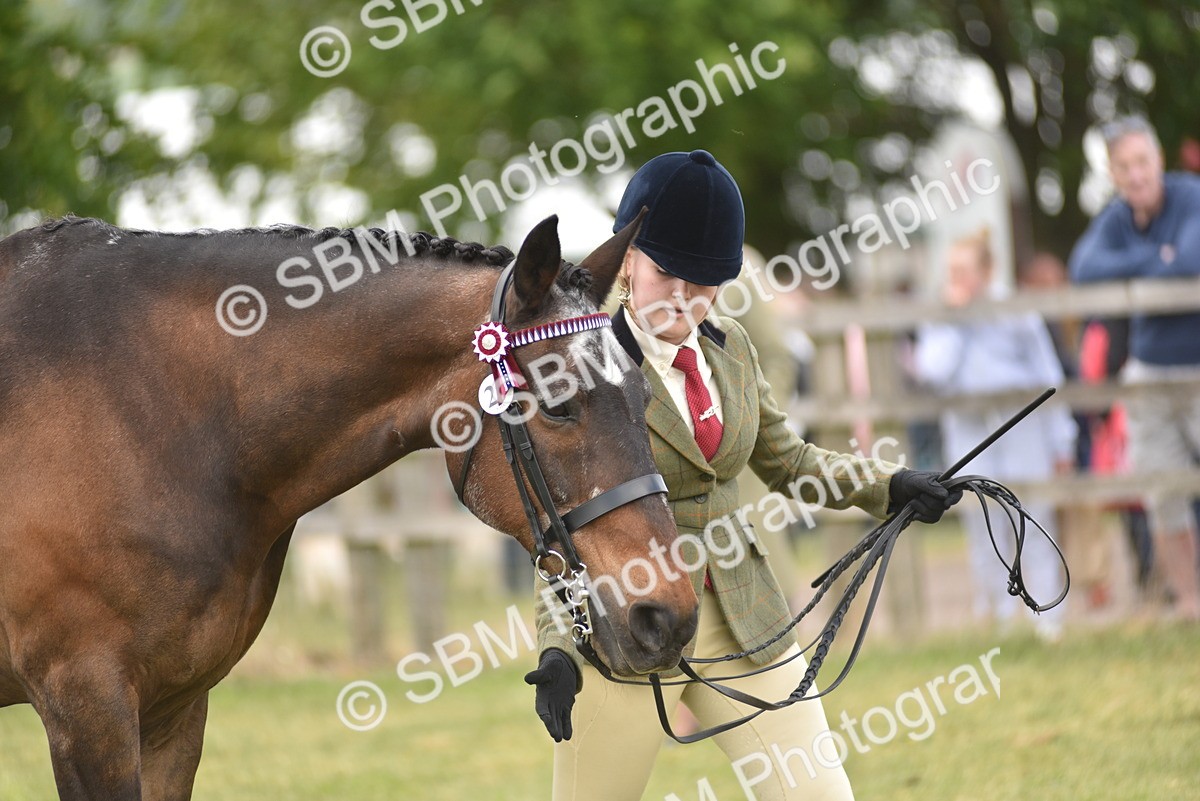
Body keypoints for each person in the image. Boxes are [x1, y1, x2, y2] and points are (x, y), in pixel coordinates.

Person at [524, 150, 962, 801]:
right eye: (668, 274)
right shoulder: (585, 372)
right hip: (626, 626)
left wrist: (888, 485)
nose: (686, 299)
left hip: (744, 616)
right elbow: (557, 521)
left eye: (705, 283)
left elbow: (789, 461)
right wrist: (557, 644)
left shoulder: (732, 350)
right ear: (628, 260)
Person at [914, 228, 1076, 642]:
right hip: (968, 432)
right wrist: (955, 322)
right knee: (983, 524)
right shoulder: (940, 317)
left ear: (986, 271)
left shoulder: (1016, 311)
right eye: (951, 271)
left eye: (964, 270)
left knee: (1032, 519)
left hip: (1021, 427)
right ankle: (999, 619)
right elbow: (933, 371)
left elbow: (1047, 376)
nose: (956, 279)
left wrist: (1062, 440)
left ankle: (1048, 618)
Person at [1068, 114, 1200, 620]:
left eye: (1142, 161)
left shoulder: (1191, 196)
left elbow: (1188, 262)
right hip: (1148, 371)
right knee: (1161, 491)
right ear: (1113, 173)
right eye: (1124, 166)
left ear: (1158, 159)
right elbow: (1083, 268)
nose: (1136, 174)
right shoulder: (1116, 217)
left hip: (1195, 365)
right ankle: (1189, 603)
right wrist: (1154, 257)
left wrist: (1138, 266)